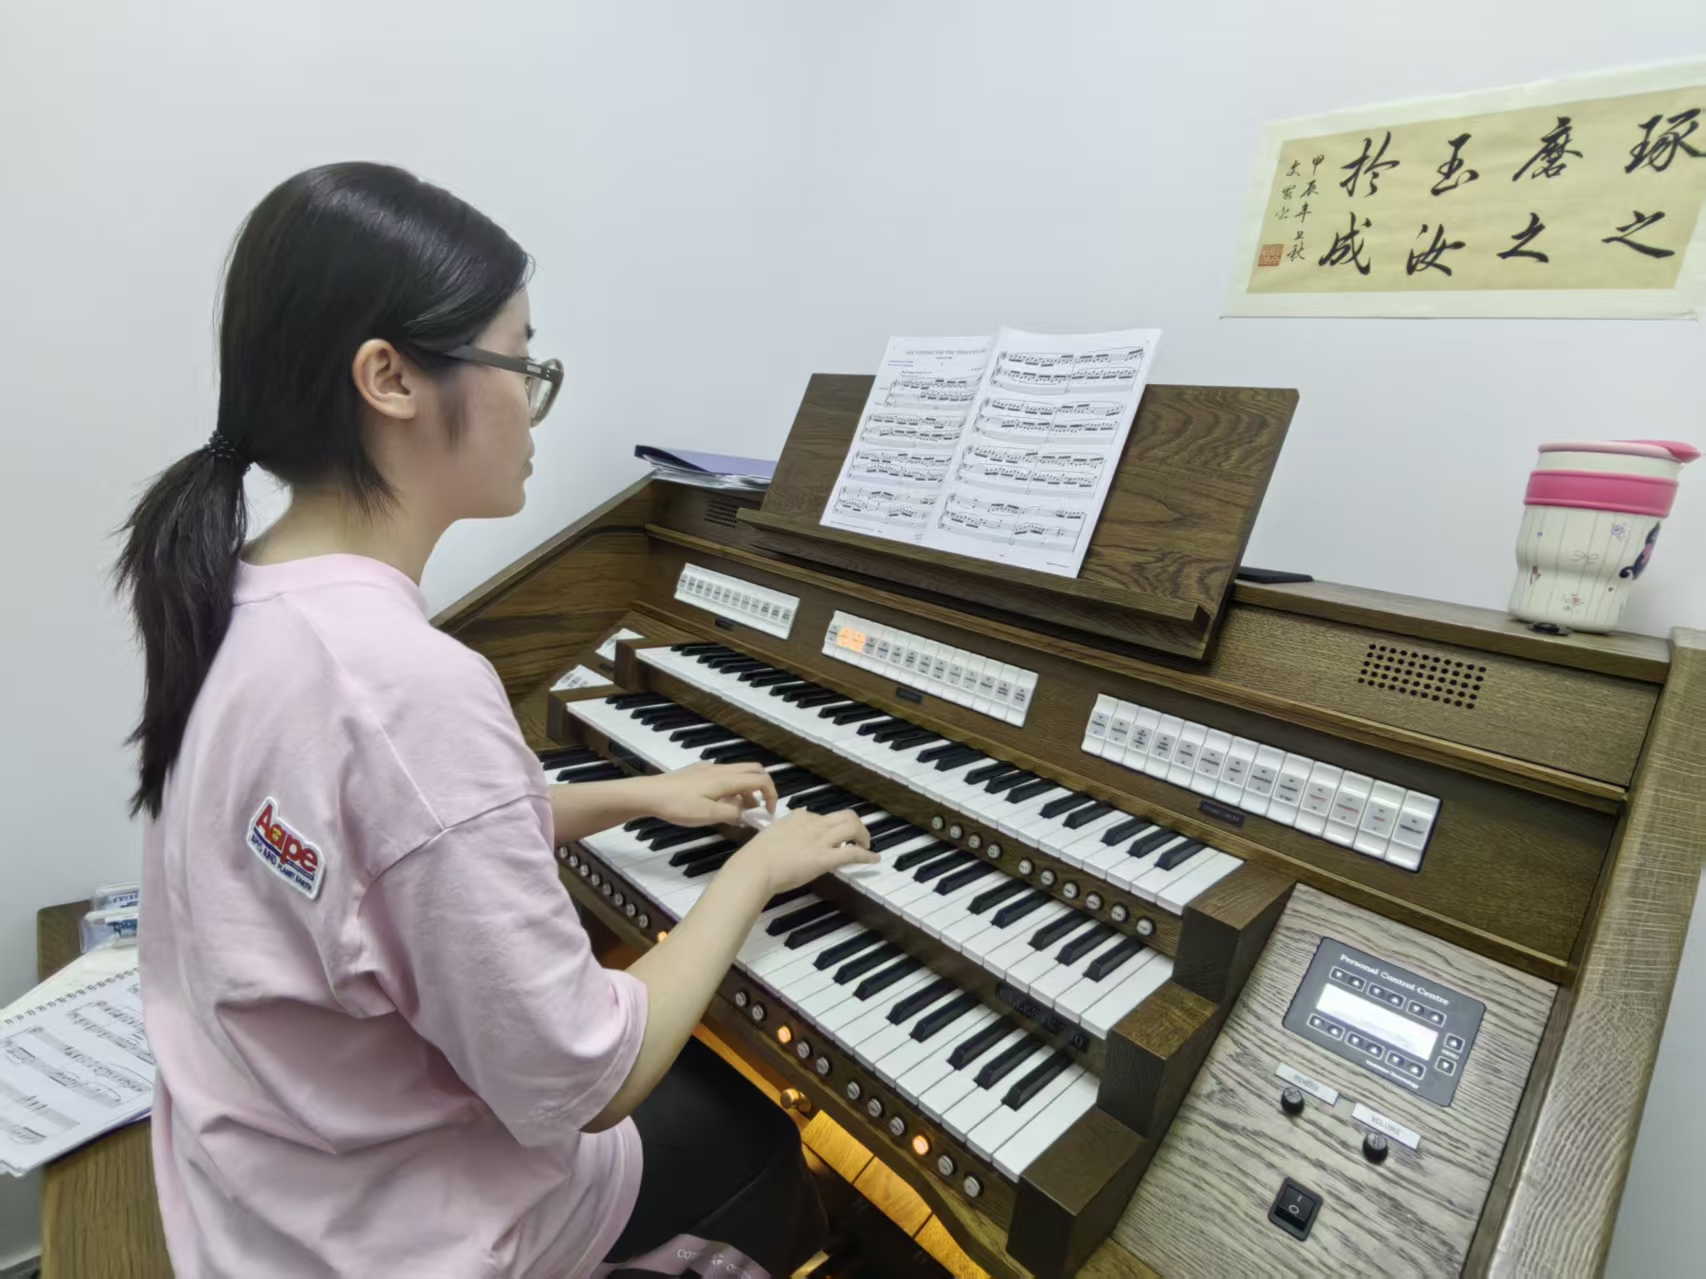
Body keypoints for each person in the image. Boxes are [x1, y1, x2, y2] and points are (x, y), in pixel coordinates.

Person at [116, 162, 877, 1279]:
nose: (532, 399)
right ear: (389, 378)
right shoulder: (406, 686)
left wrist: (640, 792)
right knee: (752, 1135)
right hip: (395, 1238)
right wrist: (753, 871)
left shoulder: (242, 594)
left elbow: (390, 843)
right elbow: (591, 1078)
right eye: (522, 360)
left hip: (260, 1189)